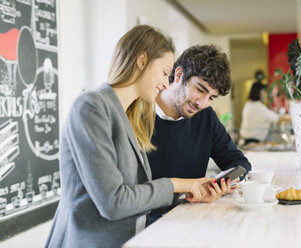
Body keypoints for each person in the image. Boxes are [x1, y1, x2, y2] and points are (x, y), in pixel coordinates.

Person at [44, 25, 226, 248]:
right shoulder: (90, 107)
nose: (165, 83)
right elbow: (114, 202)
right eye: (164, 72)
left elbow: (135, 194)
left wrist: (191, 191)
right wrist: (178, 184)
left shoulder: (133, 114)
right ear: (141, 61)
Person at [147, 45, 251, 221]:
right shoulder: (140, 113)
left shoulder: (206, 117)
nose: (202, 103)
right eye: (200, 90)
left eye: (211, 97)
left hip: (190, 215)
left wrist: (220, 184)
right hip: (146, 222)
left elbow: (239, 163)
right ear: (179, 75)